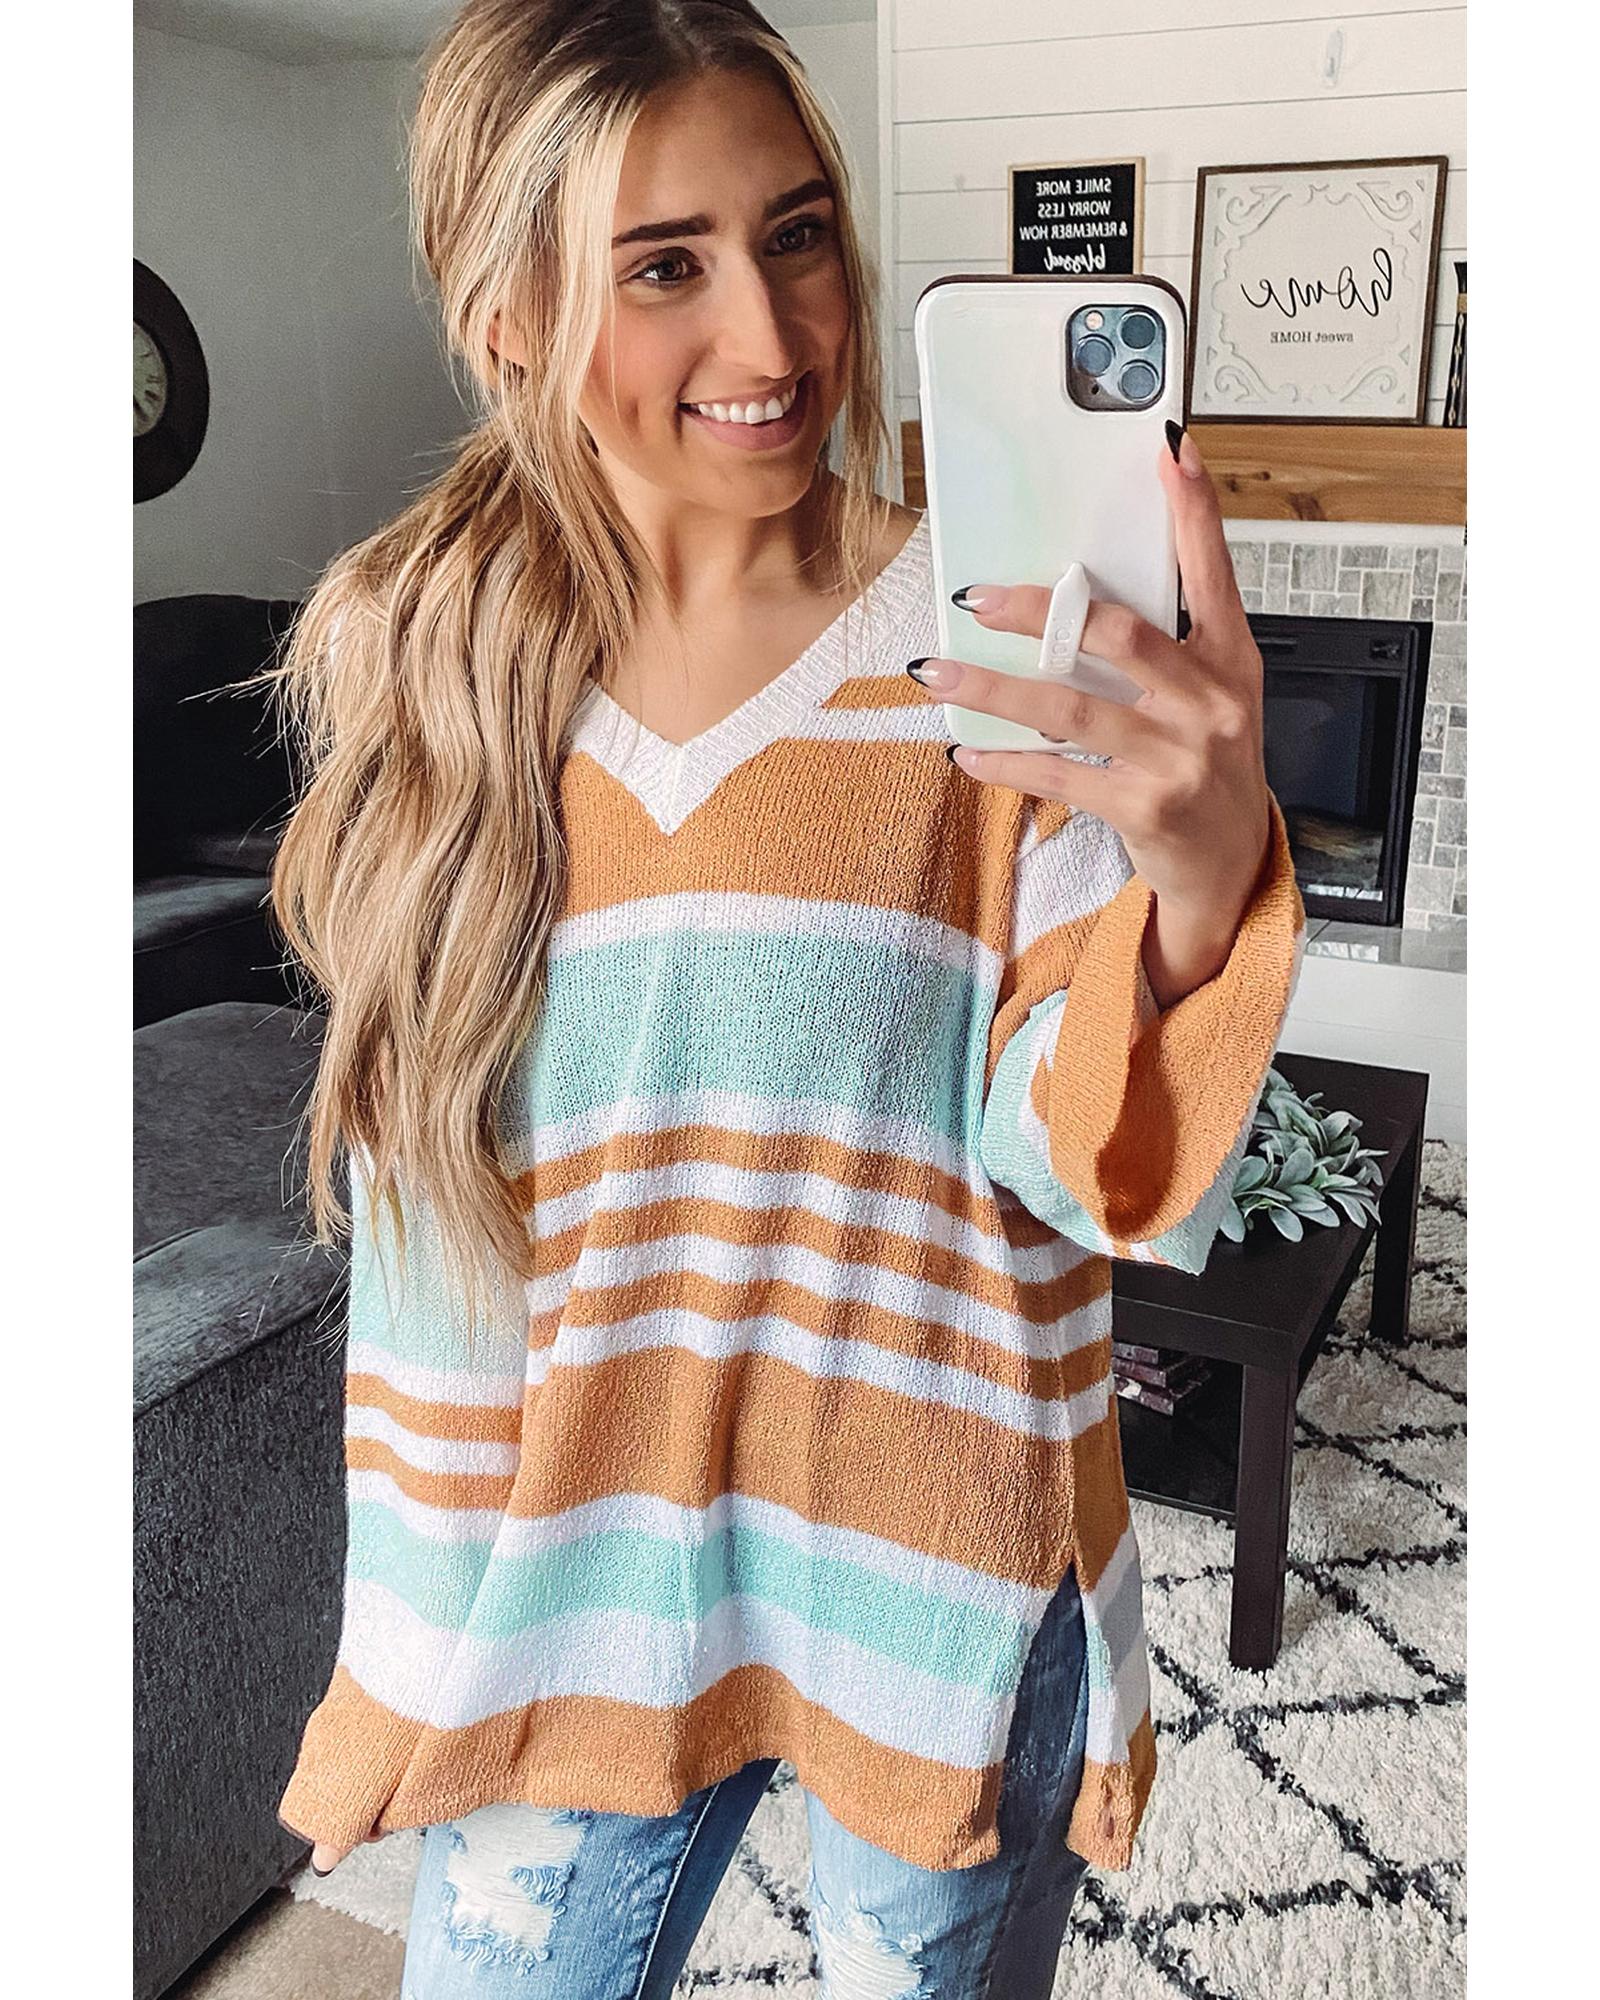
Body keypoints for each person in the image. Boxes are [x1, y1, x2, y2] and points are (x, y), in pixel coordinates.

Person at [260, 3, 1307, 1994]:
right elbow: (424, 1228)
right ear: (507, 312)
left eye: (798, 234)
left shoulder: (996, 652)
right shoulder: (420, 647)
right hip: (563, 1602)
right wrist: (404, 1664)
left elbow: (1071, 1158)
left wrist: (1195, 877)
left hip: (934, 1585)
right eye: (664, 265)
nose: (771, 334)